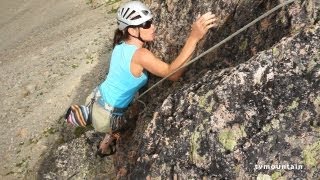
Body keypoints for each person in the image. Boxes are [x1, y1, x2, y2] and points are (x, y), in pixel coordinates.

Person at [91, 0, 218, 157]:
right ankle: (111, 134)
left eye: (150, 22)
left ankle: (105, 141)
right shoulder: (141, 55)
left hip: (97, 100)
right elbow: (173, 73)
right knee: (126, 119)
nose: (153, 27)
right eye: (146, 25)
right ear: (131, 30)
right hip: (107, 117)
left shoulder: (120, 44)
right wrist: (194, 37)